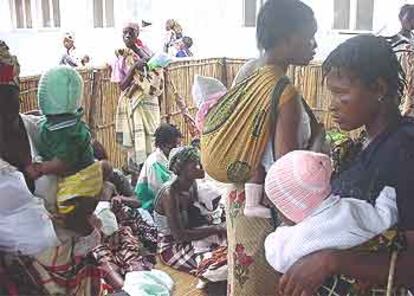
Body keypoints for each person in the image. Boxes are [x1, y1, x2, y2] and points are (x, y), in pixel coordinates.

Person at [277, 34, 414, 296]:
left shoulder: (406, 151)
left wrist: (332, 261)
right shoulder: (363, 144)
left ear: (379, 88)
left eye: (341, 94)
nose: (332, 106)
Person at [221, 1, 320, 294]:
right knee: (264, 284)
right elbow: (287, 173)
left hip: (239, 197)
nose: (315, 45)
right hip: (267, 211)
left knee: (243, 281)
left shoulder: (248, 72)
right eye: (310, 36)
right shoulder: (284, 92)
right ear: (288, 38)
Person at [264, 150, 398, 274]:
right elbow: (385, 218)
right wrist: (388, 193)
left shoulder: (302, 236)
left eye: (279, 207)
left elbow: (275, 255)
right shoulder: (353, 209)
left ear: (294, 206)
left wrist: (281, 230)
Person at [25, 66, 106, 235]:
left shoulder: (63, 133)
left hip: (80, 178)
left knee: (67, 210)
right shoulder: (67, 120)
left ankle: (84, 231)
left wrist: (40, 168)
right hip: (90, 172)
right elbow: (44, 120)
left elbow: (63, 163)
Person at [154, 146, 226, 273]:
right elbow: (179, 236)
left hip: (189, 235)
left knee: (227, 248)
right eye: (195, 165)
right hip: (172, 245)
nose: (201, 168)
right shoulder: (170, 194)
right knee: (214, 264)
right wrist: (216, 228)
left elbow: (195, 217)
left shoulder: (191, 184)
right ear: (182, 169)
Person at [112, 22, 163, 176]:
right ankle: (139, 176)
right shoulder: (121, 56)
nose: (127, 36)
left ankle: (153, 175)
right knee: (136, 143)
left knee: (152, 138)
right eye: (125, 33)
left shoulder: (146, 51)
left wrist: (136, 50)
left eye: (131, 33)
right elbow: (122, 85)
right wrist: (134, 67)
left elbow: (155, 69)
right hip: (132, 102)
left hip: (148, 103)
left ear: (137, 34)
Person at [135, 123, 182, 211]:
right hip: (151, 204)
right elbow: (159, 193)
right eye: (175, 146)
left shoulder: (170, 157)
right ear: (164, 145)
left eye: (179, 145)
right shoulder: (154, 164)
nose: (178, 148)